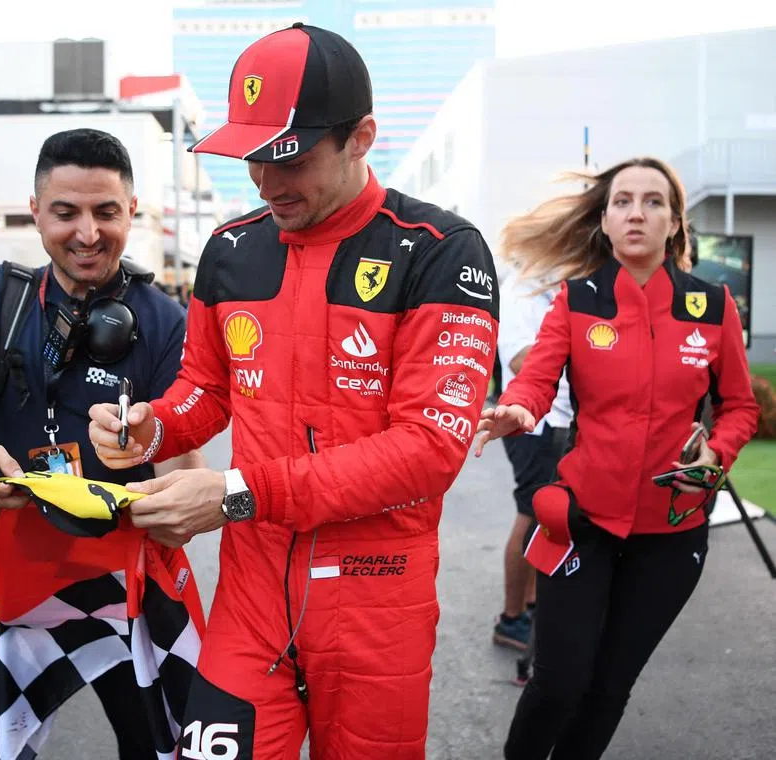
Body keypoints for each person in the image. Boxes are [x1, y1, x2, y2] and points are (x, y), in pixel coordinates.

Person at [89, 24, 500, 759]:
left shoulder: (442, 251)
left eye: (291, 156)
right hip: (252, 601)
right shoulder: (231, 249)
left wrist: (236, 493)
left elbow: (430, 450)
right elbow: (206, 390)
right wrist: (149, 430)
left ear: (362, 137)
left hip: (378, 605)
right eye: (253, 155)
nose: (268, 181)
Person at [0, 128, 204, 759]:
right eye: (65, 212)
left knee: (162, 746)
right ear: (35, 212)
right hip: (9, 575)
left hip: (124, 578)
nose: (86, 232)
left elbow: (186, 438)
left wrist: (183, 502)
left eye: (106, 212)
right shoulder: (4, 292)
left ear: (132, 211)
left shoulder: (162, 317)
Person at [474, 157, 759, 760]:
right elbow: (538, 378)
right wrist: (517, 408)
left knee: (609, 688)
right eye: (623, 201)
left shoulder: (713, 306)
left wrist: (717, 452)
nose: (637, 212)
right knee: (559, 681)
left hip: (673, 535)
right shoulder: (576, 301)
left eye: (653, 202)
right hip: (582, 522)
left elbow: (739, 408)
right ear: (604, 221)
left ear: (674, 223)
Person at [492, 266, 574, 652]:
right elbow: (521, 361)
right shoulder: (523, 286)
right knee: (534, 513)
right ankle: (512, 619)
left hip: (562, 420)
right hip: (532, 423)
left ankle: (530, 606)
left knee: (552, 515)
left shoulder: (564, 281)